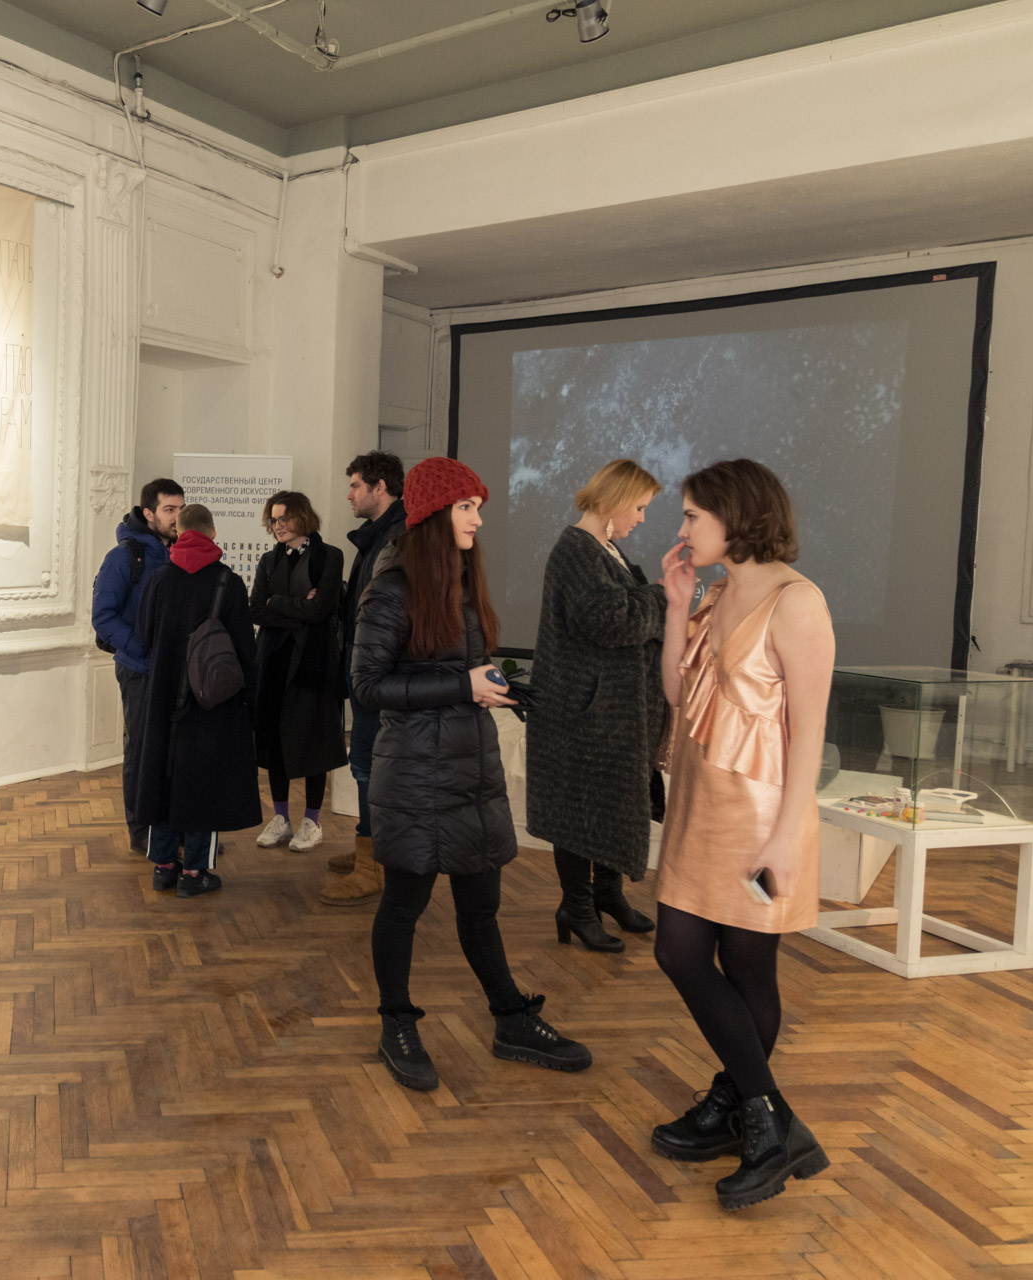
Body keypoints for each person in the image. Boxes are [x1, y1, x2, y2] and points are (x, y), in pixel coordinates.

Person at [356, 457, 591, 1093]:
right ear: (435, 513)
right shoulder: (392, 588)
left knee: (481, 906)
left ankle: (510, 1018)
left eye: (478, 507)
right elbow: (368, 686)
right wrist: (462, 685)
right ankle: (396, 1023)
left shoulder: (460, 580)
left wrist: (497, 685)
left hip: (469, 768)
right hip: (415, 775)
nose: (478, 520)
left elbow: (457, 670)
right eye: (466, 507)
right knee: (403, 905)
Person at [649, 458, 835, 1211]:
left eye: (693, 515)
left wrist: (786, 838)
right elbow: (678, 693)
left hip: (762, 821)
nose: (684, 529)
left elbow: (810, 730)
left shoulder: (798, 602)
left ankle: (753, 1114)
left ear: (735, 515)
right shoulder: (716, 593)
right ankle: (757, 1112)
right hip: (700, 807)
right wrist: (676, 608)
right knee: (679, 950)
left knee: (747, 967)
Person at [527, 459, 668, 952]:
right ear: (615, 502)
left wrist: (654, 599)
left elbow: (629, 615)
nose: (642, 519)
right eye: (640, 507)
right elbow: (614, 622)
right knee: (579, 811)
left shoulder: (604, 549)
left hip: (605, 714)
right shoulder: (576, 550)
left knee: (611, 805)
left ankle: (607, 895)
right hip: (581, 714)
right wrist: (663, 595)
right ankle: (577, 908)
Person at [132, 504, 260, 898]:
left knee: (163, 777)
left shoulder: (159, 578)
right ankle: (194, 873)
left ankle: (163, 867)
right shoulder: (228, 582)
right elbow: (245, 650)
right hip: (211, 701)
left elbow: (144, 636)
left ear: (178, 532)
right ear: (213, 533)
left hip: (163, 697)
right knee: (205, 782)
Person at [322, 450, 406, 904]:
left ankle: (374, 864)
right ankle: (367, 848)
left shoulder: (398, 535)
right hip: (365, 659)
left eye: (356, 485)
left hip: (378, 666)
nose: (349, 494)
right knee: (365, 761)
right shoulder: (378, 535)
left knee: (369, 762)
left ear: (380, 487)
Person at [249, 491, 347, 853]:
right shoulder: (268, 560)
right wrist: (295, 607)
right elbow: (256, 609)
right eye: (273, 520)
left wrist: (277, 604)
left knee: (313, 741)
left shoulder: (329, 556)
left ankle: (312, 821)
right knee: (275, 742)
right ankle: (280, 818)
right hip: (274, 662)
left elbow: (321, 610)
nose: (278, 526)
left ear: (302, 517)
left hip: (314, 663)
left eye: (284, 519)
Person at [92, 479, 185, 853]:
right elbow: (103, 616)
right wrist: (143, 650)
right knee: (142, 752)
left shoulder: (180, 553)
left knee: (175, 751)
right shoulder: (124, 557)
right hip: (140, 671)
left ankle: (176, 829)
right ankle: (142, 830)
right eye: (169, 510)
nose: (178, 517)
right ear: (148, 513)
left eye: (181, 509)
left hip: (177, 671)